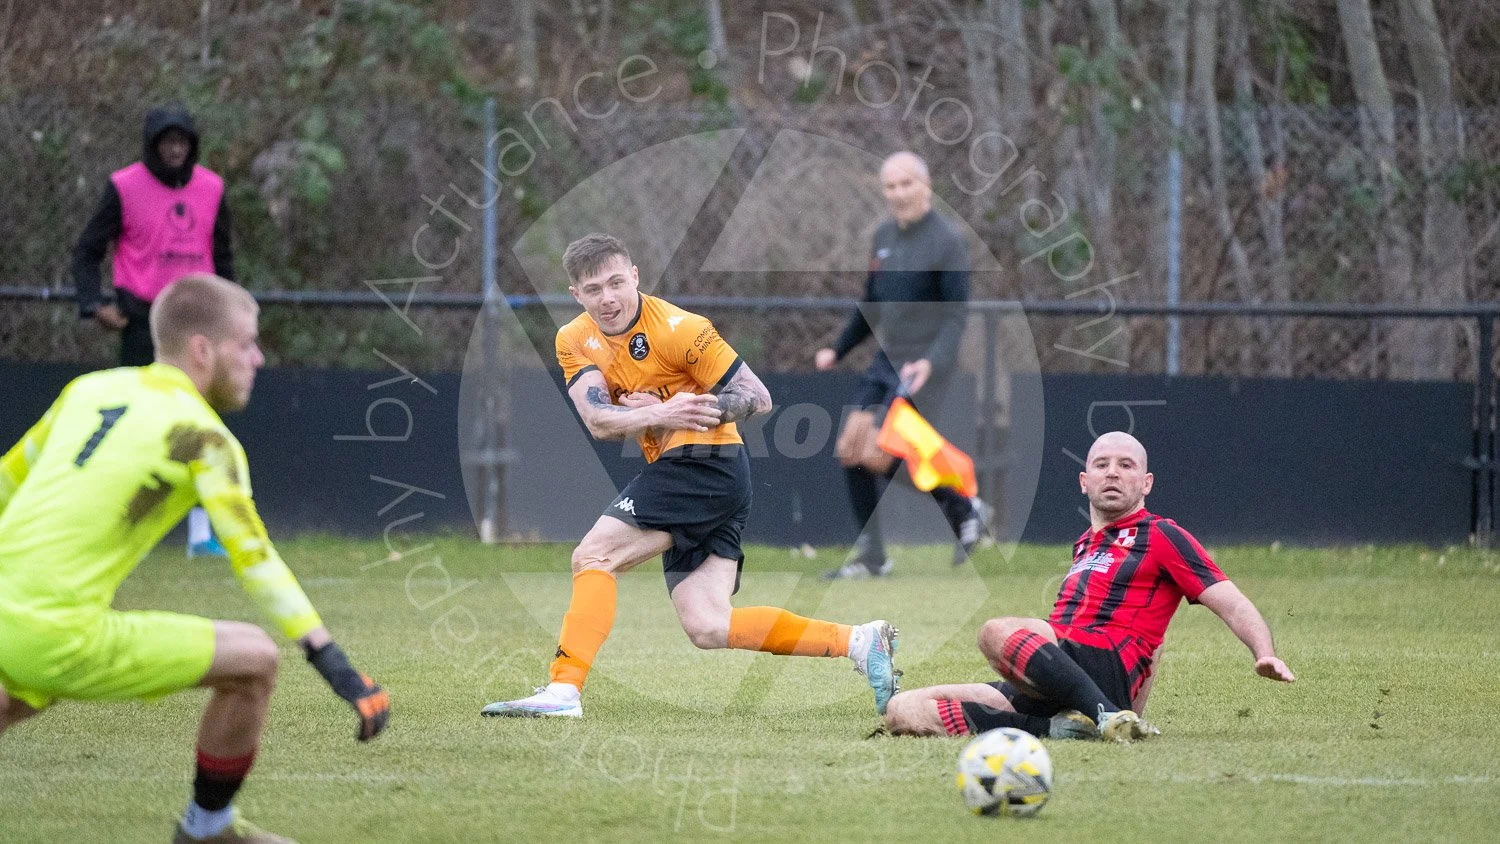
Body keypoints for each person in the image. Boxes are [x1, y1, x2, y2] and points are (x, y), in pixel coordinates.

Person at [0, 274, 389, 843]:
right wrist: (333, 662)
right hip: (54, 634)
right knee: (254, 660)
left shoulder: (89, 390)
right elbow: (254, 558)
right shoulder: (203, 438)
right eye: (246, 343)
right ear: (203, 350)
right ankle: (208, 829)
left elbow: (7, 482)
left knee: (18, 697)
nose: (258, 358)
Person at [482, 234, 901, 719]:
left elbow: (757, 396)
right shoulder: (573, 339)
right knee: (708, 625)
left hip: (705, 464)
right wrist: (658, 413)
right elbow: (597, 420)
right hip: (699, 473)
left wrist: (689, 410)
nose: (608, 298)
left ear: (635, 276)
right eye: (594, 289)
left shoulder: (682, 329)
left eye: (616, 283)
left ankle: (563, 689)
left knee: (594, 555)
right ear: (577, 295)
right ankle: (859, 641)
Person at [879, 431, 1294, 742]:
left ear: (1146, 483)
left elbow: (1232, 603)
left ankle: (1106, 713)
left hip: (1103, 668)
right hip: (1057, 676)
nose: (1113, 472)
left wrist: (1265, 653)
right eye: (1101, 464)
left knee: (995, 631)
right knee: (903, 709)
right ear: (1084, 481)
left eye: (1126, 465)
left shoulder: (1161, 535)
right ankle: (1060, 728)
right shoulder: (1085, 544)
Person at [72, 102, 235, 559]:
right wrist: (94, 305)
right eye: (167, 142)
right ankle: (116, 524)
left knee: (201, 424)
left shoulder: (212, 189)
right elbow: (86, 252)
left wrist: (231, 321)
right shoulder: (124, 187)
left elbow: (223, 259)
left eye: (182, 141)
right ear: (152, 145)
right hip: (143, 321)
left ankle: (201, 534)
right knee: (135, 421)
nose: (175, 149)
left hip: (198, 322)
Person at [816, 151, 990, 579]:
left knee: (878, 451)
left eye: (906, 184)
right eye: (890, 187)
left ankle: (962, 503)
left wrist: (931, 361)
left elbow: (956, 316)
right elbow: (872, 304)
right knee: (850, 449)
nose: (898, 194)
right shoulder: (884, 236)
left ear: (926, 186)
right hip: (887, 358)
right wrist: (838, 349)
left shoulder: (948, 241)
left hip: (924, 362)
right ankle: (875, 557)